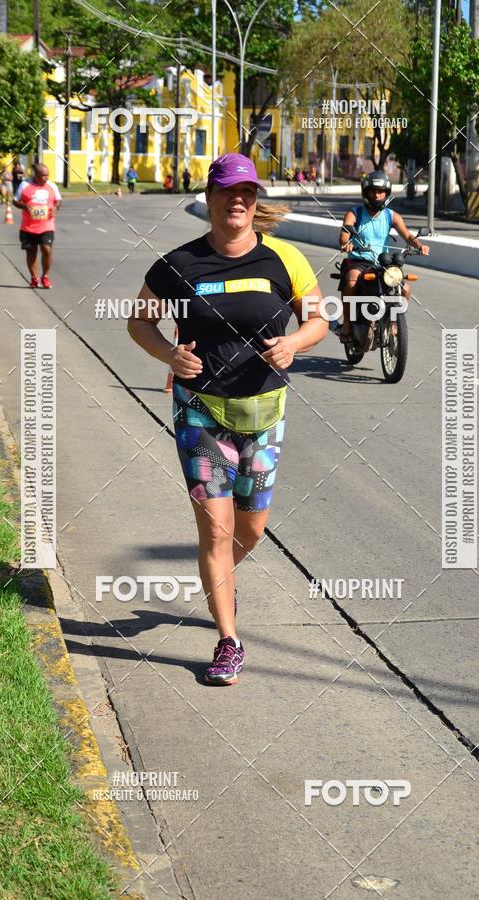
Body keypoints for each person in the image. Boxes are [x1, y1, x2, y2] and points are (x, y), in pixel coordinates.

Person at [128, 153, 327, 685]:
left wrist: (294, 344)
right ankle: (228, 639)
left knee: (251, 529)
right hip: (200, 414)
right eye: (226, 192)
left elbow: (317, 320)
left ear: (254, 201)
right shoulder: (177, 265)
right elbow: (139, 322)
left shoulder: (284, 260)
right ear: (210, 200)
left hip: (264, 413)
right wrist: (169, 356)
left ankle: (219, 582)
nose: (236, 200)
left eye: (246, 192)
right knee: (215, 533)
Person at [337, 170, 429, 343]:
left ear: (386, 194)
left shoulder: (391, 215)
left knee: (405, 289)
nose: (377, 195)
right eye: (373, 191)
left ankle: (394, 321)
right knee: (352, 280)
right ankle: (348, 323)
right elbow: (345, 232)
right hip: (359, 260)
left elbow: (408, 236)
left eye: (381, 192)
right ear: (366, 193)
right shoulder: (355, 213)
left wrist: (419, 245)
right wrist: (346, 242)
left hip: (383, 262)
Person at [13, 163, 62, 289]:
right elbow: (15, 201)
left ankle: (45, 276)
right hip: (28, 226)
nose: (45, 178)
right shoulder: (25, 185)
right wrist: (25, 206)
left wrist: (56, 208)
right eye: (42, 176)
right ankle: (34, 278)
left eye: (47, 175)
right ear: (35, 175)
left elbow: (58, 200)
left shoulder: (52, 185)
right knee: (31, 252)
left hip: (47, 225)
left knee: (47, 249)